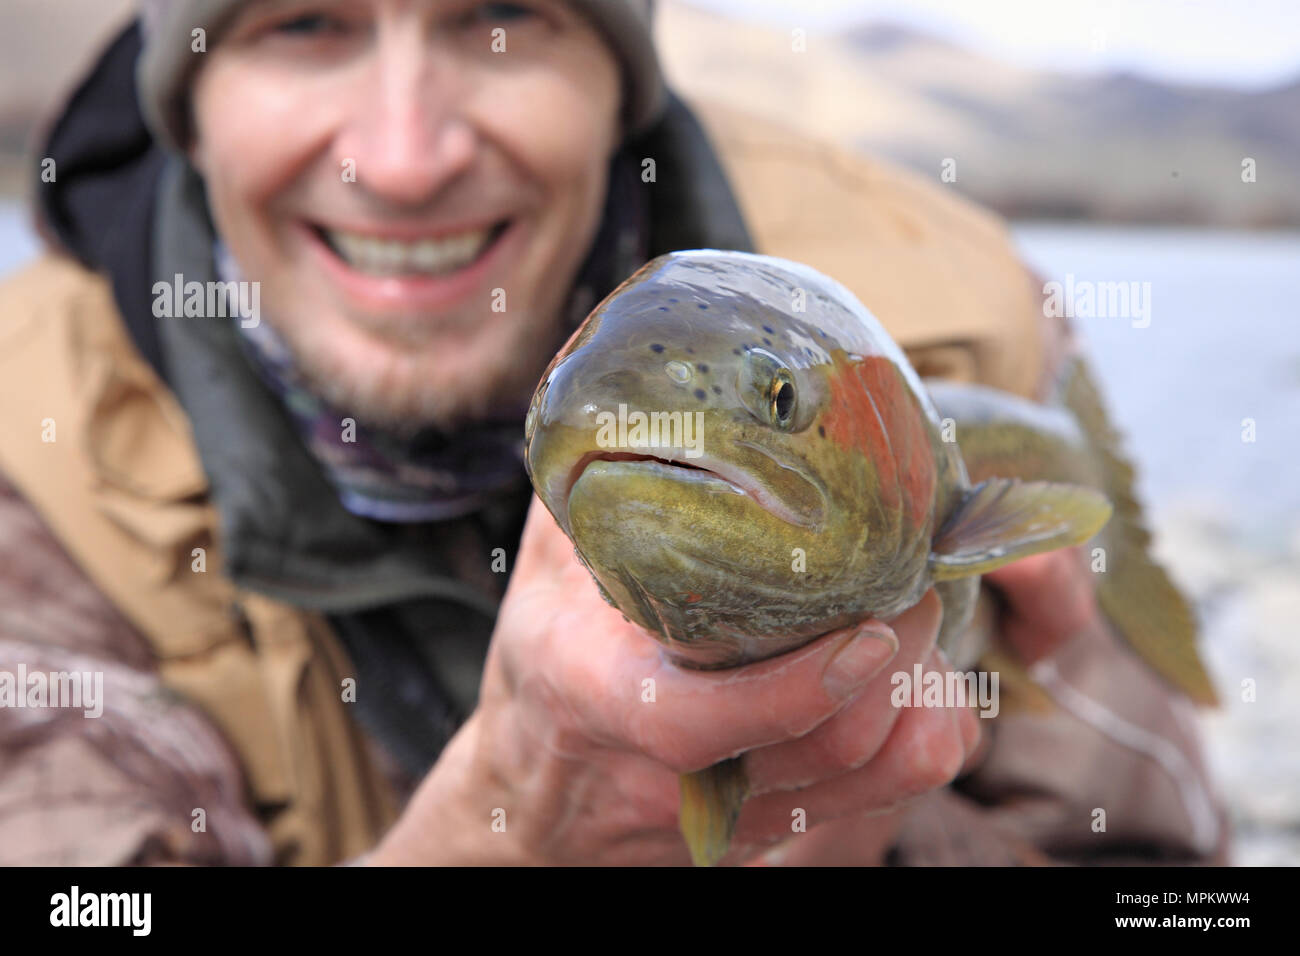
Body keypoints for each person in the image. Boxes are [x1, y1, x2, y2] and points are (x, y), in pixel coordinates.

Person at [0, 0, 1226, 866]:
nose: (405, 156)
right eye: (302, 24)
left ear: (615, 72)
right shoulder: (24, 446)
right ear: (190, 100)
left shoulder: (973, 319)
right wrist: (501, 838)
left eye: (500, 15)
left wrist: (905, 824)